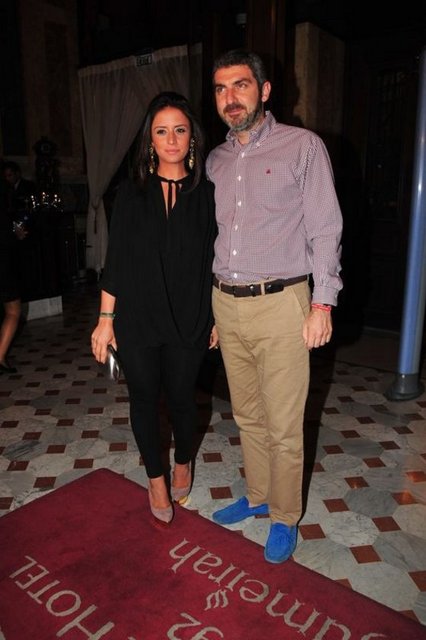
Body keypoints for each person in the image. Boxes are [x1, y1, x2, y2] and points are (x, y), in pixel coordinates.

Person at [206, 50, 343, 563]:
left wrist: (322, 302)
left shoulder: (302, 147)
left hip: (283, 302)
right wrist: (211, 312)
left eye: (240, 85)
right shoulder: (215, 161)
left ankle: (285, 516)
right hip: (226, 302)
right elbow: (212, 238)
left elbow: (326, 228)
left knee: (284, 424)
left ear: (264, 91)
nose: (230, 98)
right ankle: (259, 496)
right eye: (221, 89)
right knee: (247, 415)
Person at [91, 92, 218, 525]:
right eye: (161, 132)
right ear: (150, 140)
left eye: (179, 130)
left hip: (190, 316)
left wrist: (216, 318)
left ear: (192, 137)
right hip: (139, 316)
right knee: (144, 398)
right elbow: (117, 261)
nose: (171, 140)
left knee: (182, 397)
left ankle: (182, 460)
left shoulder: (208, 194)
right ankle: (156, 479)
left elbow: (216, 261)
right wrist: (105, 320)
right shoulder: (131, 193)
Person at [0, 177, 23, 374]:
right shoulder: (6, 215)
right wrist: (17, 234)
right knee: (13, 310)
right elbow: (9, 240)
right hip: (3, 265)